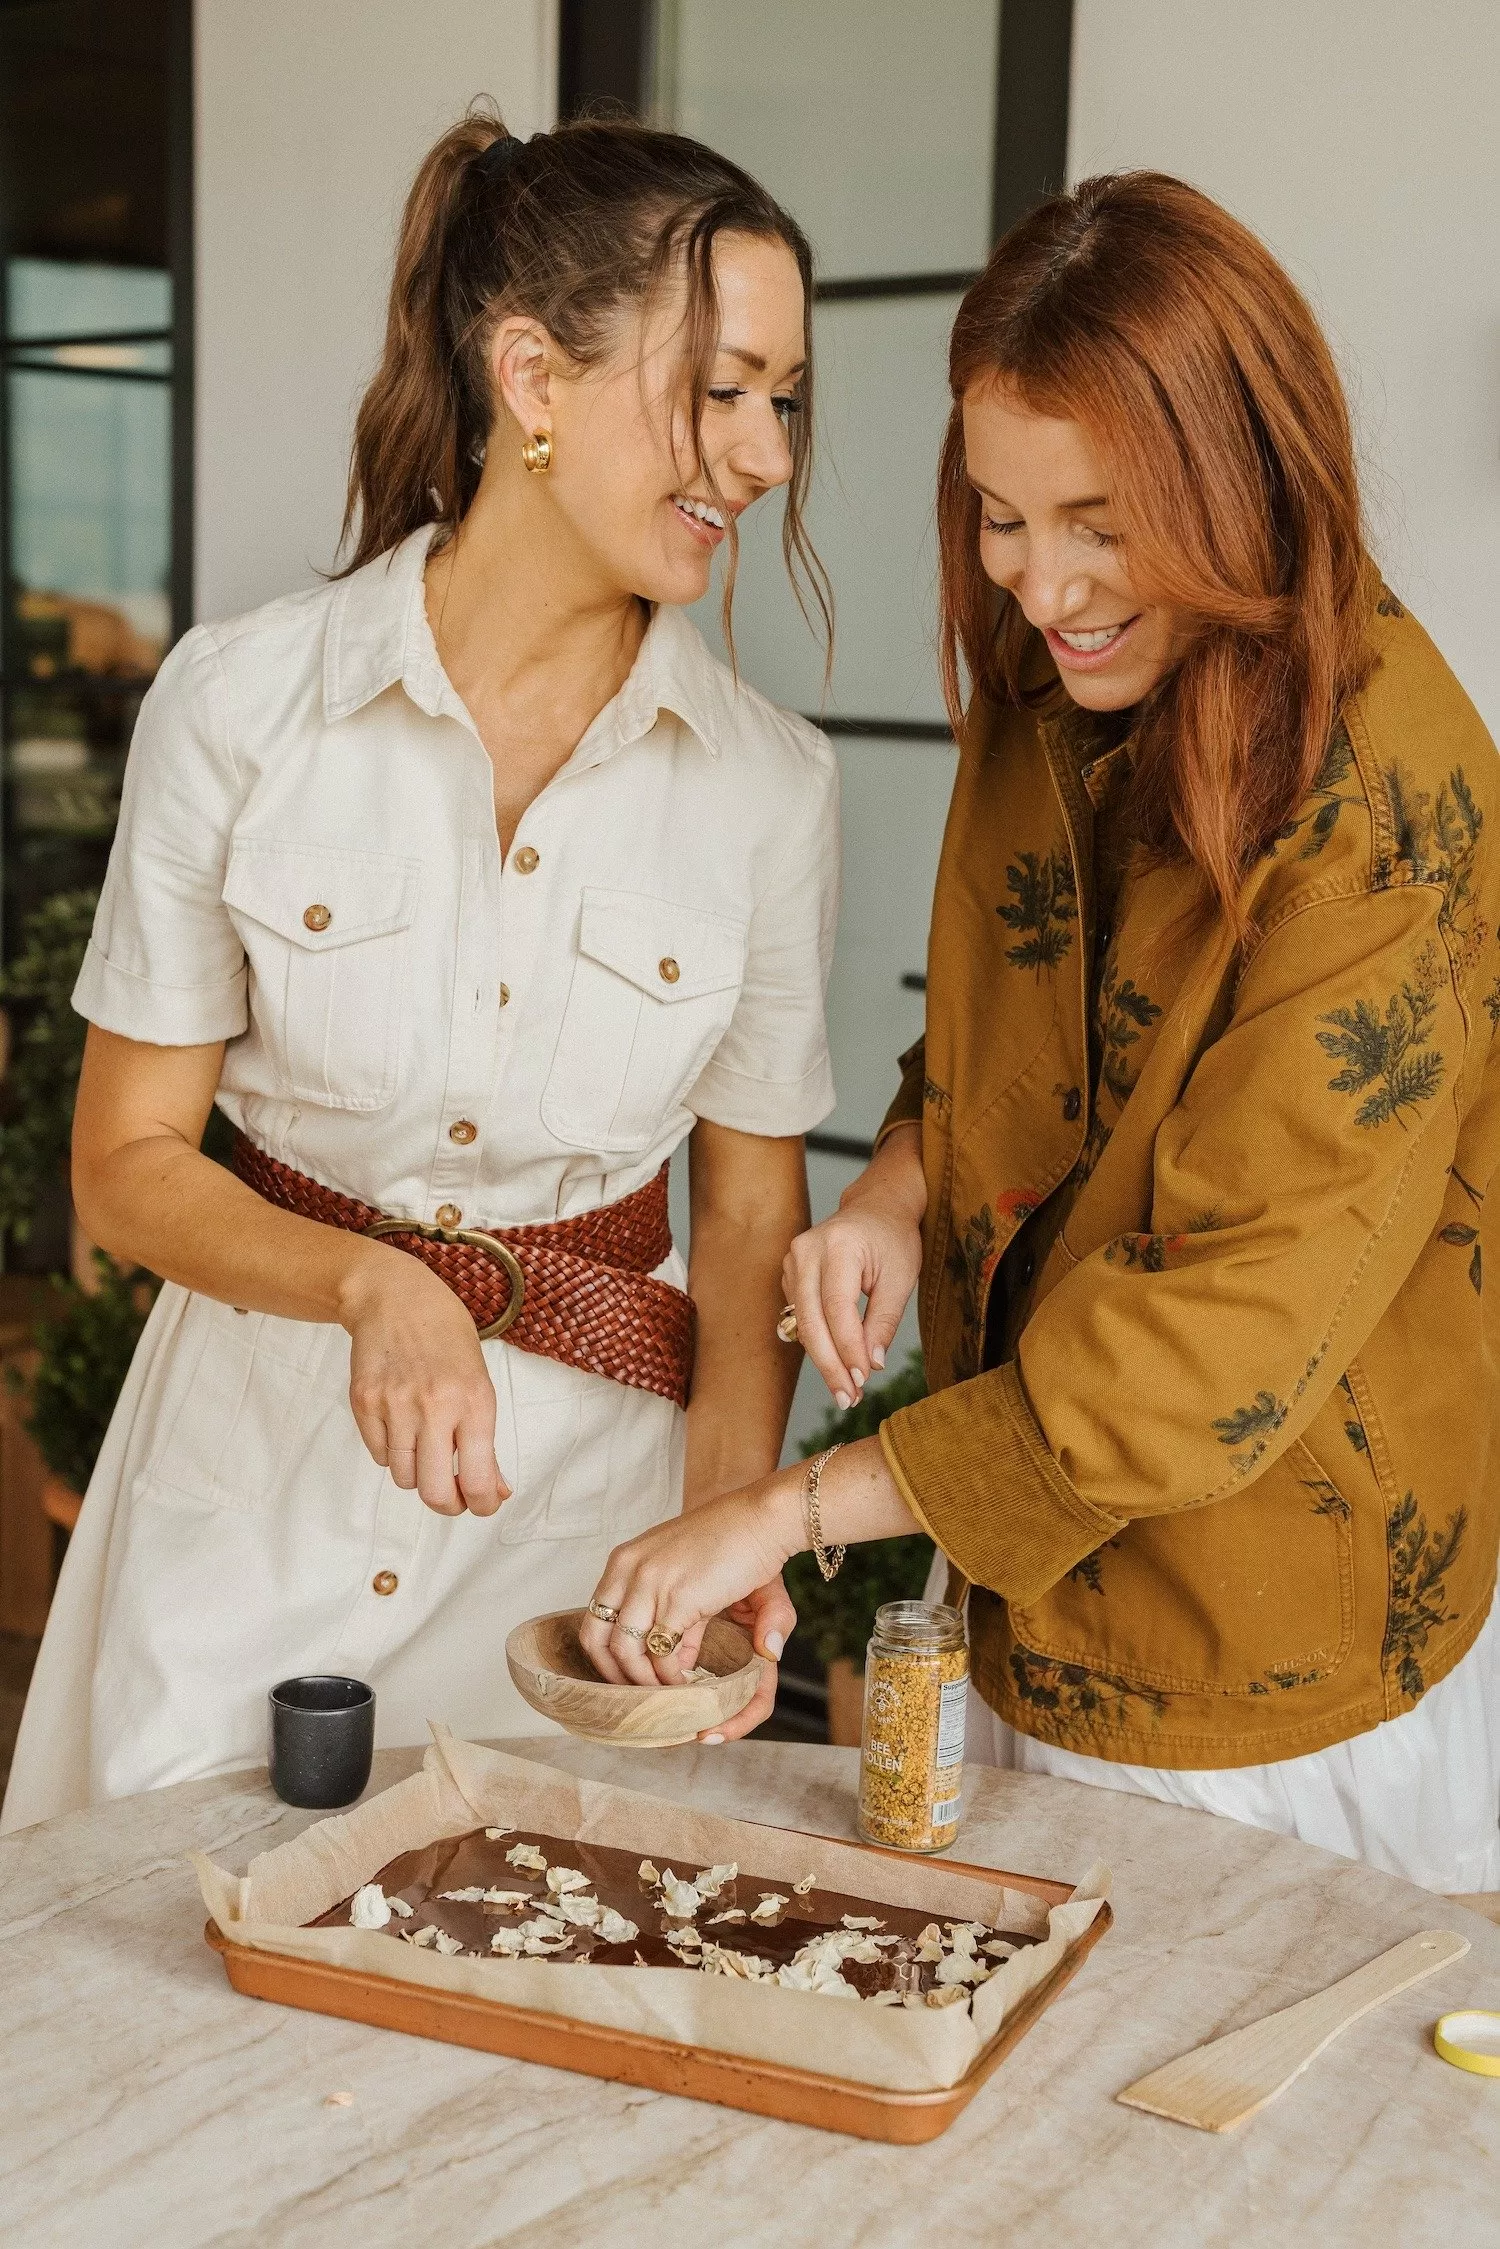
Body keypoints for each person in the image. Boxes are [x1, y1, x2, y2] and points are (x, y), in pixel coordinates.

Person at [579, 172, 1500, 1899]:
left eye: (1099, 524)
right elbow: (1005, 1030)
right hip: (1026, 1587)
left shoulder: (1378, 815)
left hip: (1267, 1648)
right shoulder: (1059, 671)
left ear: (1243, 480)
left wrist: (788, 1507)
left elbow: (1220, 1337)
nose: (1046, 583)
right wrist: (898, 1189)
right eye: (1002, 517)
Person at [2, 110, 840, 1830]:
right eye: (722, 390)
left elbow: (752, 1218)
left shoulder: (772, 788)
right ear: (533, 379)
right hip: (245, 1504)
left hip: (566, 1549)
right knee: (176, 1958)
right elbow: (127, 1162)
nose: (764, 455)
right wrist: (377, 1287)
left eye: (786, 401)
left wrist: (722, 1532)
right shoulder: (240, 705)